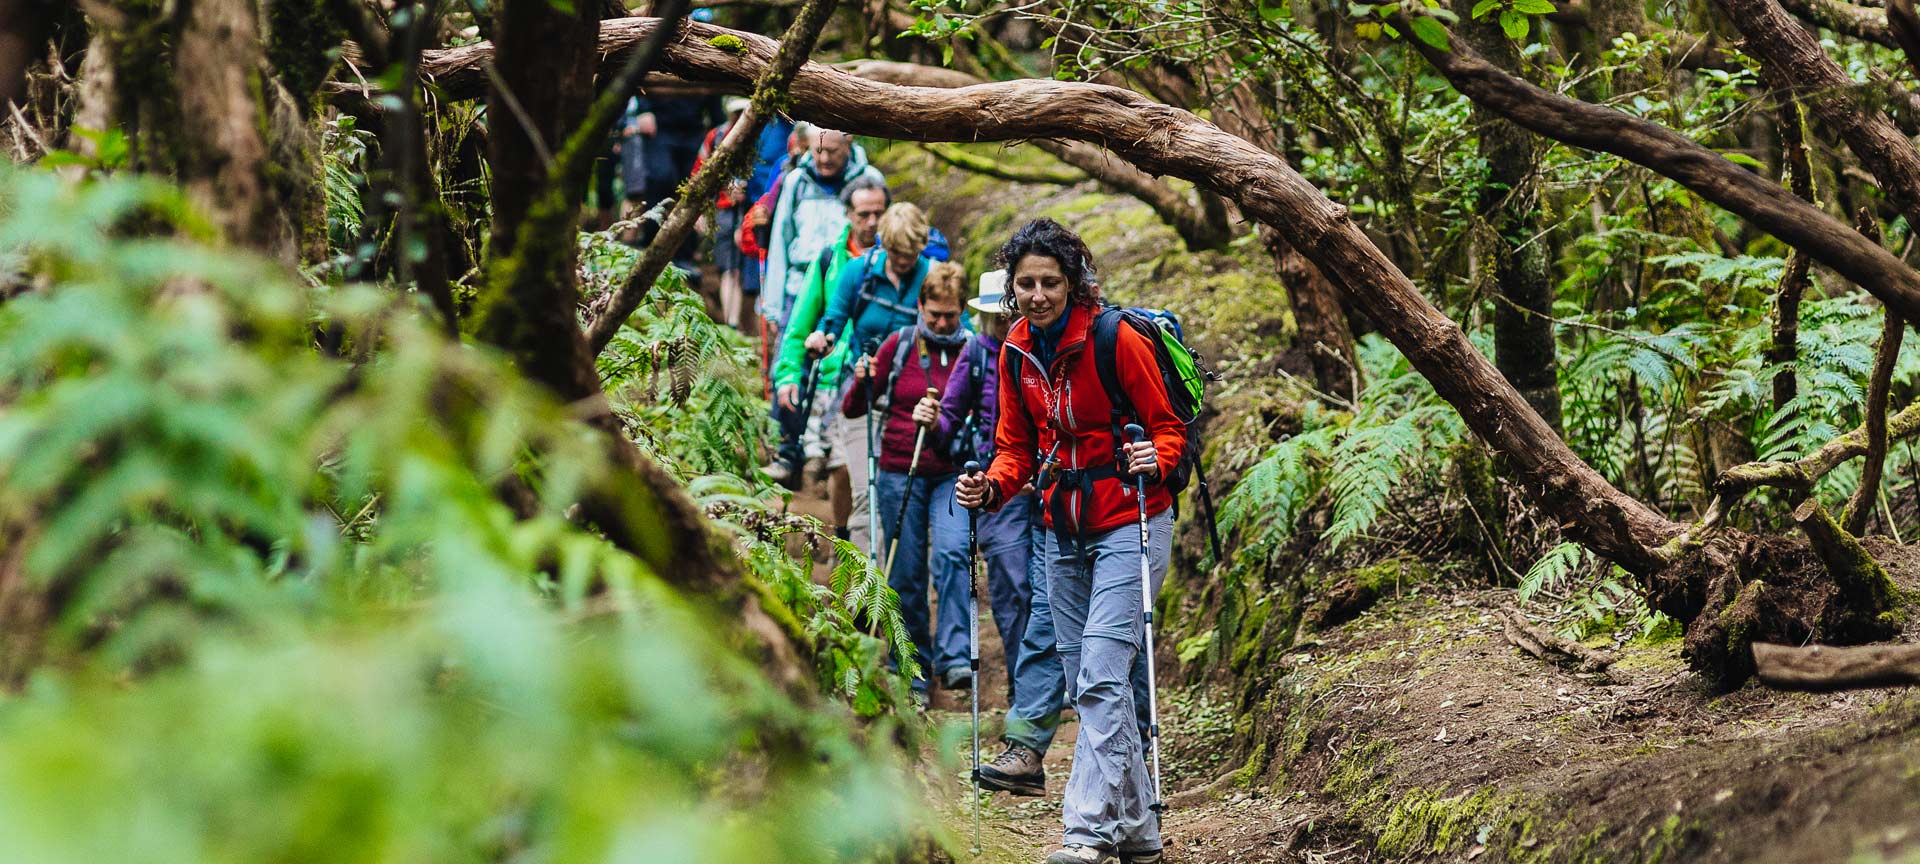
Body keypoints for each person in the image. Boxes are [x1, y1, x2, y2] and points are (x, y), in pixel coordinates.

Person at [955, 219, 1183, 864]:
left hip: (1131, 521)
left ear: (1073, 282)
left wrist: (1152, 459)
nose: (1036, 295)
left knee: (1101, 680)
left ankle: (1083, 836)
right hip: (1061, 530)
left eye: (1049, 282)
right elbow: (1014, 448)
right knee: (1096, 680)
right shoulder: (1016, 350)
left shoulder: (1116, 338)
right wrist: (990, 489)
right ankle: (1139, 834)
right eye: (1024, 284)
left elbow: (1169, 429)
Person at [843, 262, 973, 697]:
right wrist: (860, 381)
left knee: (954, 555)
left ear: (961, 313)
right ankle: (912, 660)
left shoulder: (972, 352)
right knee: (907, 569)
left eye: (950, 316)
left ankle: (955, 656)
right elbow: (852, 409)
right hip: (900, 470)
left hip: (952, 471)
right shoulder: (899, 346)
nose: (940, 323)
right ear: (920, 307)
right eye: (933, 314)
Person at [915, 269, 1039, 700]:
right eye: (997, 316)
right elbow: (950, 423)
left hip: (1050, 483)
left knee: (1049, 584)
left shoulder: (1042, 347)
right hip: (999, 486)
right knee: (1012, 583)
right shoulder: (979, 353)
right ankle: (1024, 685)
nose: (1005, 322)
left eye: (1008, 314)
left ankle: (1052, 682)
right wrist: (934, 423)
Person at [769, 176, 890, 522]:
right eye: (864, 213)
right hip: (830, 380)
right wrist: (789, 374)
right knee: (842, 465)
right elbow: (799, 326)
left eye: (878, 213)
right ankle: (843, 543)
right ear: (848, 214)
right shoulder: (827, 261)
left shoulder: (901, 262)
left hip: (880, 377)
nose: (872, 222)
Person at [762, 127, 885, 333]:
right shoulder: (796, 181)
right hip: (799, 288)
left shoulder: (869, 180)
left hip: (851, 289)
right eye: (817, 151)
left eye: (832, 150)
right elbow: (780, 242)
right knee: (791, 360)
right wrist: (774, 307)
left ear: (848, 143)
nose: (825, 158)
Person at [694, 96, 754, 330]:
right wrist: (699, 210)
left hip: (751, 210)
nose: (739, 118)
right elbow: (699, 173)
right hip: (723, 210)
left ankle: (738, 322)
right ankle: (731, 323)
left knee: (740, 268)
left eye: (743, 112)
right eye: (735, 113)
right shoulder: (716, 137)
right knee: (728, 266)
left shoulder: (761, 138)